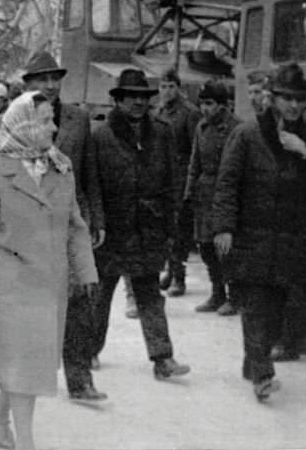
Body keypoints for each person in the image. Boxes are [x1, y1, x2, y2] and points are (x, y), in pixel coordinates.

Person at [0, 91, 98, 450]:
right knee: (22, 369)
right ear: (23, 123)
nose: (54, 127)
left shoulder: (61, 167)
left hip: (51, 286)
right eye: (44, 120)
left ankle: (0, 424)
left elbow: (75, 225)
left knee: (24, 366)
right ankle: (26, 441)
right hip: (10, 288)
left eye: (53, 119)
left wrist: (87, 273)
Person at [212, 62, 306, 401]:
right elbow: (227, 183)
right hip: (251, 238)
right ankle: (262, 374)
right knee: (255, 306)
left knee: (277, 310)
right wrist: (223, 227)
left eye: (300, 100)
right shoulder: (248, 135)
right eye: (287, 99)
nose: (294, 106)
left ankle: (253, 361)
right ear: (272, 99)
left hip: (290, 243)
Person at [90, 69, 190, 380]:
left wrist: (173, 227)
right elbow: (92, 186)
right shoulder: (100, 136)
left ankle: (163, 359)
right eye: (130, 97)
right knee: (100, 295)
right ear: (117, 100)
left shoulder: (162, 132)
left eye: (142, 97)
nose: (137, 102)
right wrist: (97, 224)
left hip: (149, 227)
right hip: (112, 229)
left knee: (149, 293)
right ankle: (89, 351)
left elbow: (173, 181)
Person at [20, 50, 106, 400]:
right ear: (27, 85)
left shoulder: (78, 119)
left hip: (70, 221)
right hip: (27, 223)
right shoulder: (10, 121)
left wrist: (96, 218)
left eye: (55, 78)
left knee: (80, 301)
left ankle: (80, 378)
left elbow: (90, 174)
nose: (51, 85)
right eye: (42, 79)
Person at [184, 80, 239, 316]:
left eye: (209, 104)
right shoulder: (201, 126)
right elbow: (194, 162)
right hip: (204, 193)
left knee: (226, 248)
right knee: (206, 247)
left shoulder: (236, 128)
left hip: (226, 193)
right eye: (202, 103)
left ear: (222, 105)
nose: (205, 109)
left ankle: (234, 296)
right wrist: (188, 192)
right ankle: (217, 293)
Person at [153, 68, 201, 297]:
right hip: (162, 175)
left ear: (178, 88)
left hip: (181, 177)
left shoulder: (190, 112)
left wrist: (190, 183)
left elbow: (195, 149)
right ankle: (171, 271)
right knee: (164, 227)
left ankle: (179, 278)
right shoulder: (158, 110)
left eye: (171, 86)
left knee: (180, 229)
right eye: (163, 86)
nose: (166, 91)